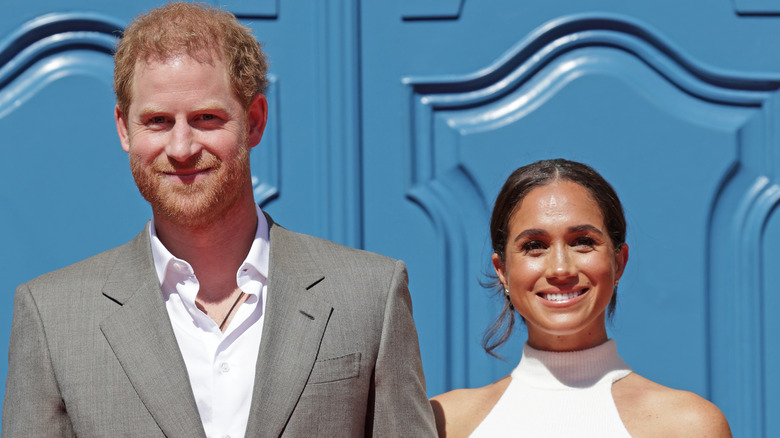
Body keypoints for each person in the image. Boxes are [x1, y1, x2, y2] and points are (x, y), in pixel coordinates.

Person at [2, 3, 436, 437]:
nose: (182, 147)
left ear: (254, 121)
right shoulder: (53, 319)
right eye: (157, 121)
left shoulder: (369, 296)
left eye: (206, 118)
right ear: (124, 128)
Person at [430, 159, 731, 437]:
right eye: (534, 245)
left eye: (583, 242)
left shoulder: (688, 425)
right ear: (502, 270)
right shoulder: (444, 422)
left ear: (619, 263)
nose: (561, 269)